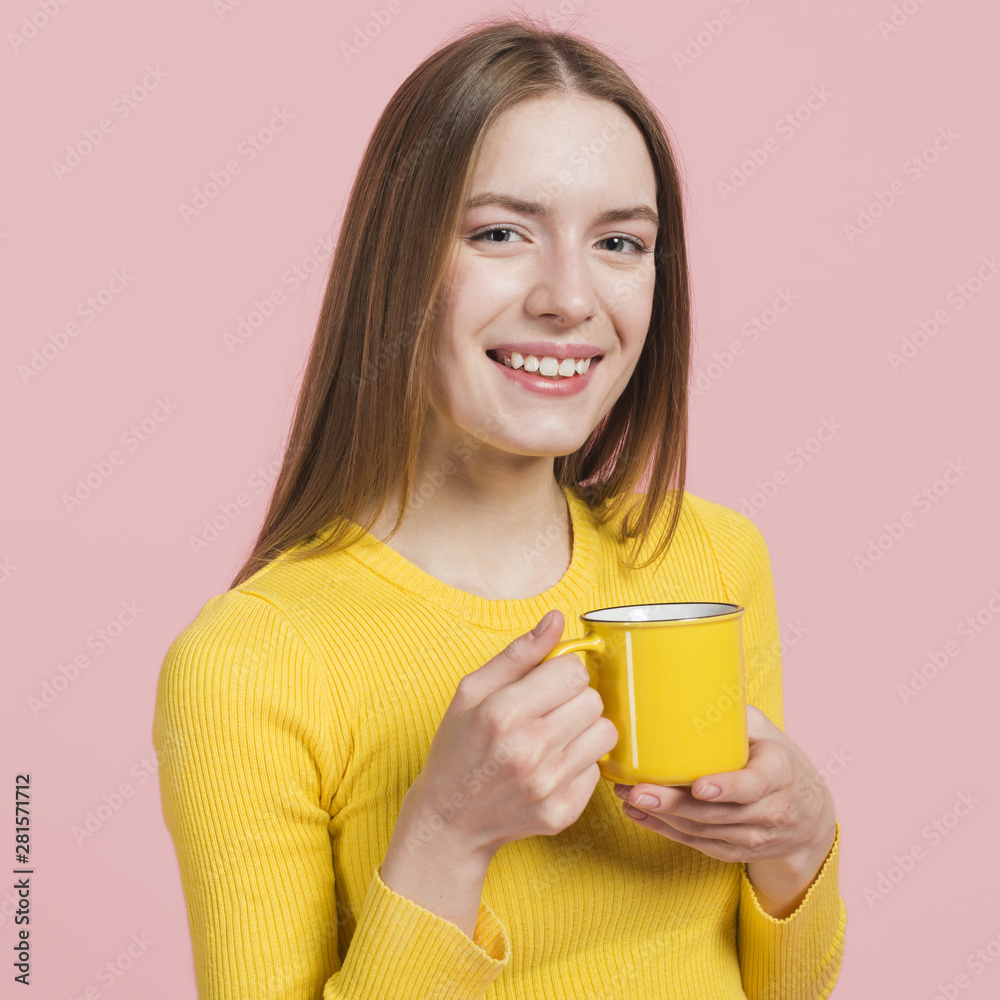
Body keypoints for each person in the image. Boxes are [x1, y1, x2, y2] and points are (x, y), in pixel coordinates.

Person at [152, 15, 845, 999]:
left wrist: (801, 839)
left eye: (619, 241)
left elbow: (786, 990)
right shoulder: (248, 664)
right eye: (500, 233)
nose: (569, 297)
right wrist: (446, 834)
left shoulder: (709, 559)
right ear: (397, 259)